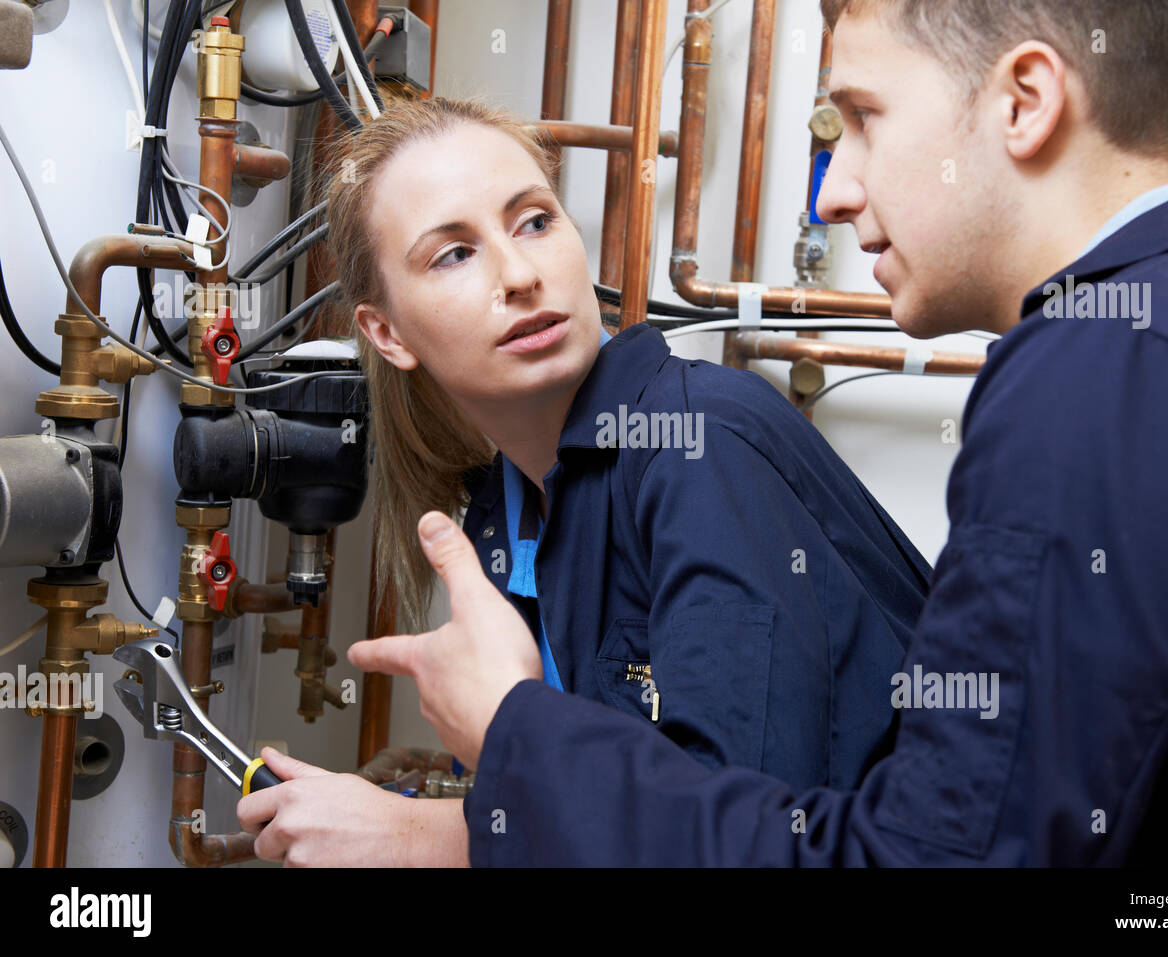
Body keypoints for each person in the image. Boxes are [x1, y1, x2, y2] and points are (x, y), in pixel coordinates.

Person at [346, 0, 1168, 865]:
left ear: (1025, 100)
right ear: (384, 333)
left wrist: (508, 749)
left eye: (864, 118)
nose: (833, 194)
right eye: (456, 251)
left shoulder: (1112, 372)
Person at [236, 95, 933, 865]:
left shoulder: (700, 446)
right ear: (386, 333)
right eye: (453, 253)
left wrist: (421, 838)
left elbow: (744, 846)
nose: (520, 273)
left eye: (534, 220)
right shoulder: (501, 518)